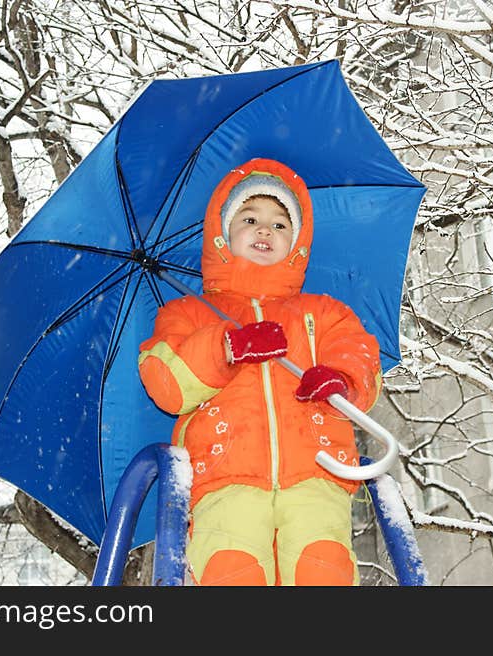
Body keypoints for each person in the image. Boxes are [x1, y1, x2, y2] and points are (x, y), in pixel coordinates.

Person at [138, 157, 381, 585]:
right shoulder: (190, 313)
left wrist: (340, 378)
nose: (265, 230)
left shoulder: (321, 312)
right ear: (222, 234)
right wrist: (226, 347)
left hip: (317, 471)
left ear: (299, 243)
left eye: (281, 223)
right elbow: (167, 381)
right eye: (249, 218)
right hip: (222, 476)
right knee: (232, 567)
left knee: (321, 564)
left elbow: (358, 352)